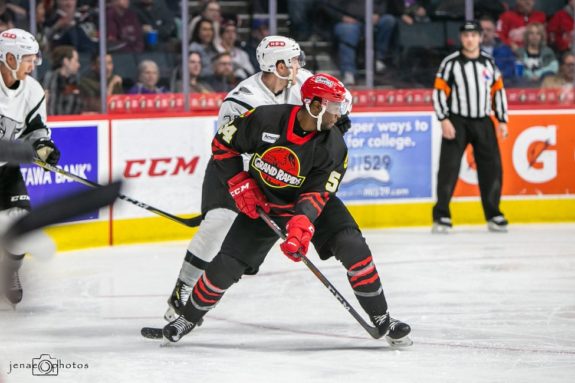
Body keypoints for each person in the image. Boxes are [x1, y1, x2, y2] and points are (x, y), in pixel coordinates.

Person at [163, 36, 411, 345]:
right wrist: (240, 184)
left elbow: (319, 193)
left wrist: (302, 223)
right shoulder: (248, 104)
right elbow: (225, 147)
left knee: (353, 246)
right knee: (225, 259)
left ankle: (382, 318)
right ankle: (185, 314)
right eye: (292, 61)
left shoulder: (328, 132)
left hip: (306, 194)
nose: (298, 66)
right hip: (263, 191)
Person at [0, 28, 60, 307]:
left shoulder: (33, 90)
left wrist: (44, 149)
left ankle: (10, 272)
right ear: (9, 57)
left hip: (6, 169)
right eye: (28, 58)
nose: (33, 64)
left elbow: (36, 131)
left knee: (21, 225)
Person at [431, 21, 509, 233]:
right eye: (466, 35)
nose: (470, 39)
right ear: (461, 38)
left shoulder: (488, 63)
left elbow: (498, 91)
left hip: (483, 121)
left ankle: (494, 214)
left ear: (480, 38)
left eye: (474, 35)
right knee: (448, 168)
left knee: (492, 169)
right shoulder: (451, 63)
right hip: (457, 121)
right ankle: (442, 216)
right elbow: (439, 91)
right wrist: (444, 119)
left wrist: (501, 119)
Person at [42, 45, 83, 115]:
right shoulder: (50, 79)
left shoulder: (75, 80)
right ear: (66, 61)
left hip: (73, 122)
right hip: (55, 123)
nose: (78, 65)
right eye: (76, 61)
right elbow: (51, 107)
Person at [479, 15, 516, 83]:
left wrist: (496, 76)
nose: (485, 33)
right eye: (482, 30)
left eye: (488, 30)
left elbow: (511, 70)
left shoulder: (505, 50)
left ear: (494, 31)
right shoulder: (470, 51)